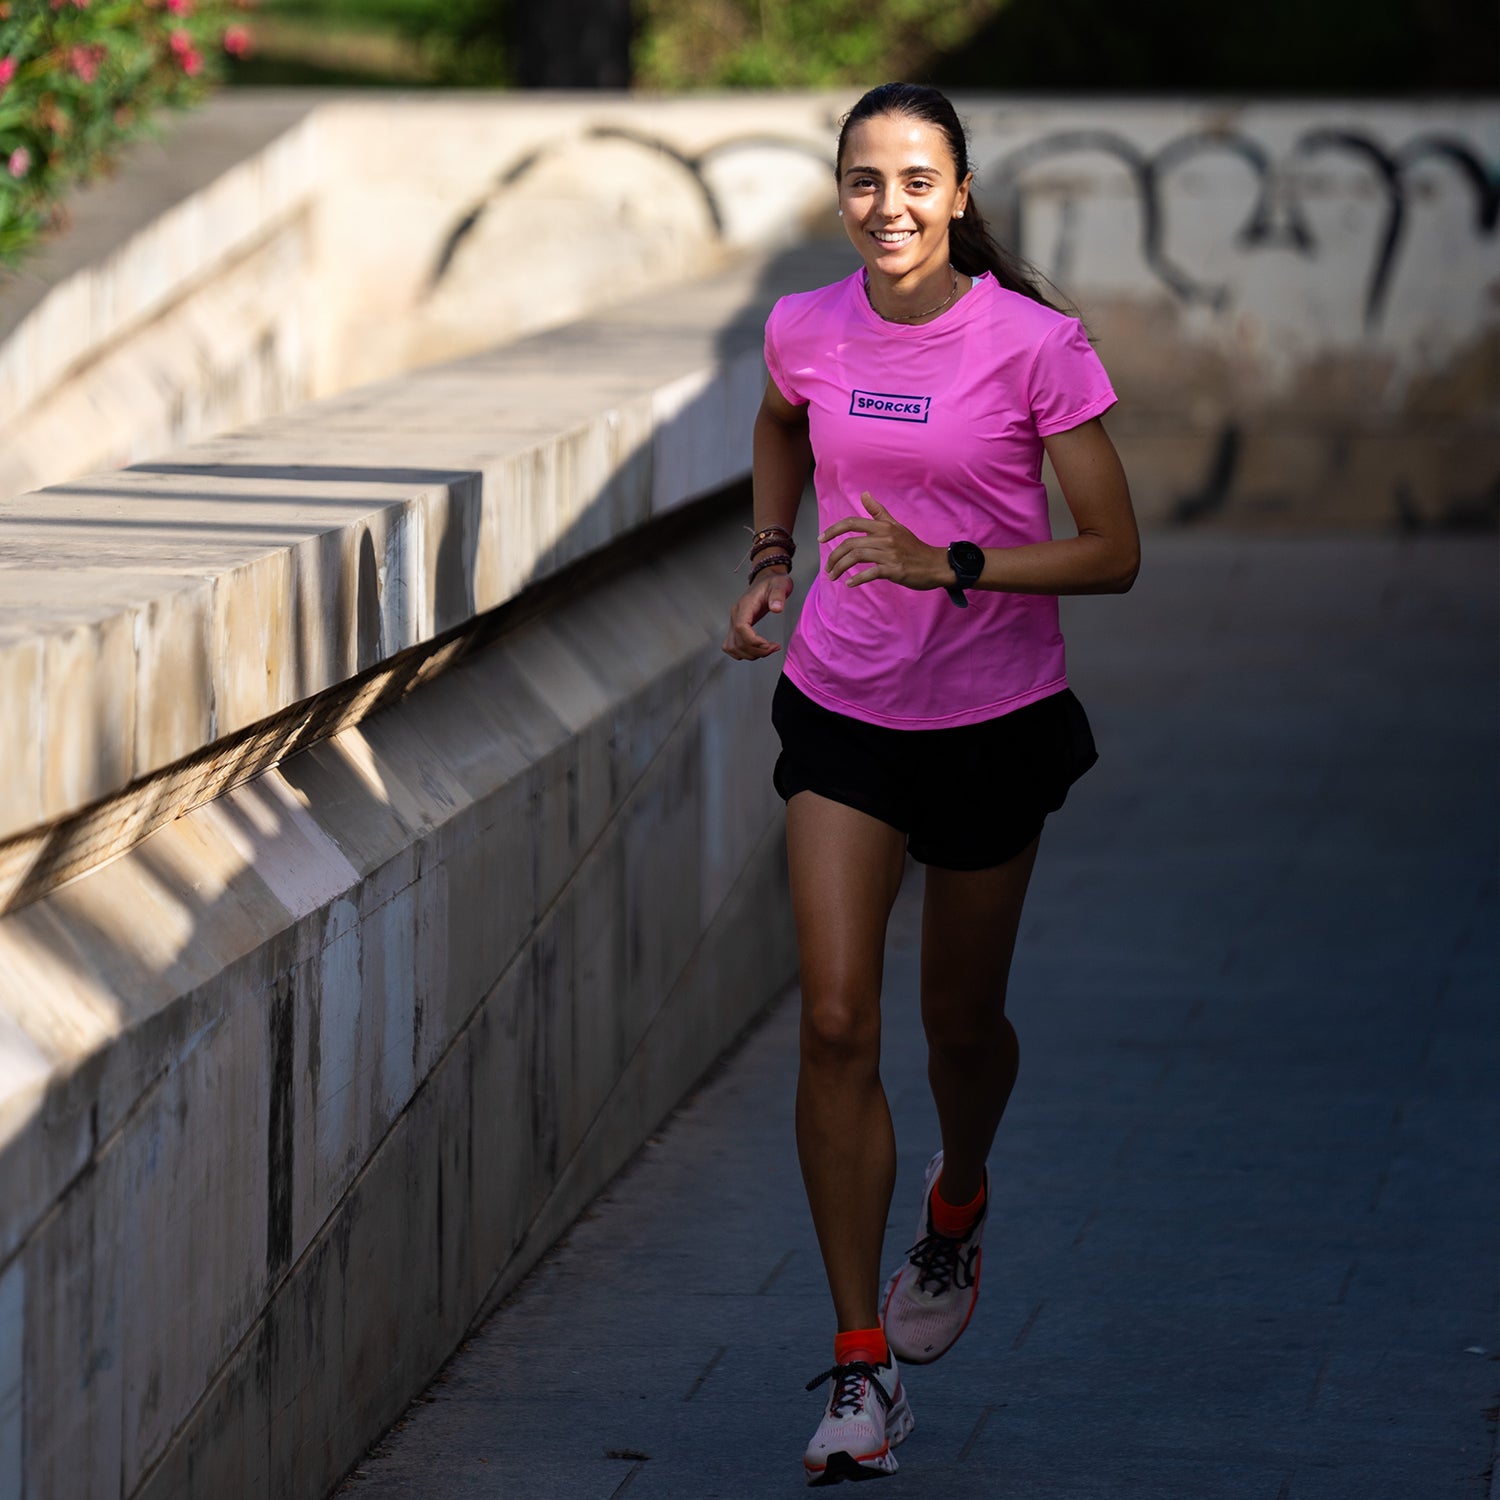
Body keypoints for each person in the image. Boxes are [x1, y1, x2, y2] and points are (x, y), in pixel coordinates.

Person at [722, 82, 1140, 1485]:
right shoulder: (805, 327)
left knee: (960, 1026)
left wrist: (946, 564)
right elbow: (783, 424)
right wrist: (773, 556)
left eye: (915, 181)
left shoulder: (1034, 346)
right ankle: (859, 1366)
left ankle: (956, 1201)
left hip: (992, 719)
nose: (886, 206)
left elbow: (1113, 549)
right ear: (838, 195)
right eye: (861, 181)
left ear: (958, 195)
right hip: (840, 705)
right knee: (836, 1019)